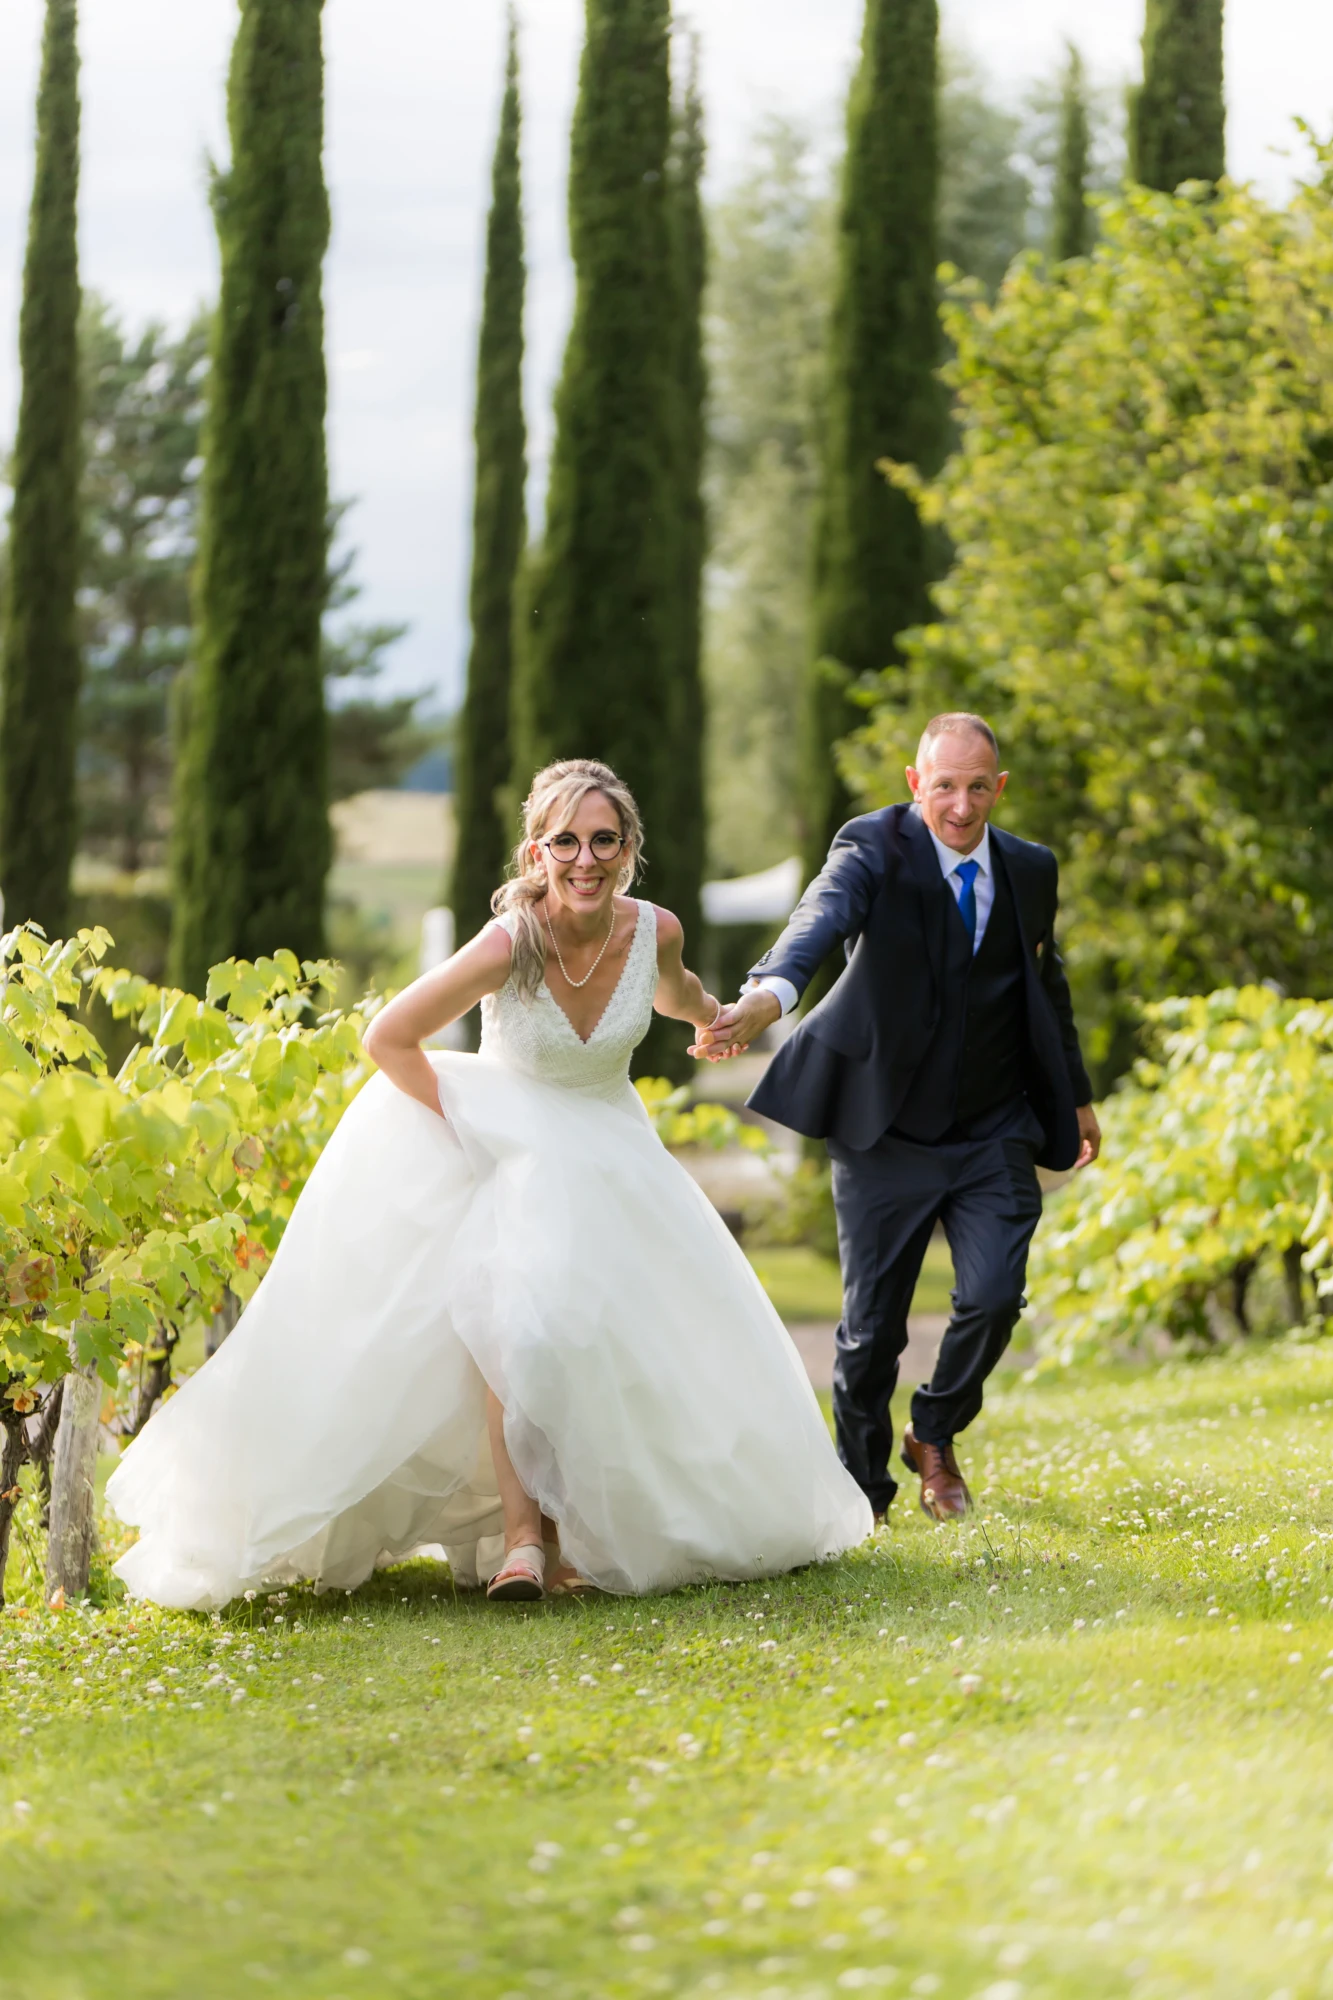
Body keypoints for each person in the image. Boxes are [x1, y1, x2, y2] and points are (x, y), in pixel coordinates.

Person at [108, 758, 871, 1609]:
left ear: (628, 849)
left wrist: (712, 1023)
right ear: (537, 851)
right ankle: (520, 1542)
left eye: (603, 841)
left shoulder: (654, 930)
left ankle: (580, 1530)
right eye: (565, 841)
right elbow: (389, 1038)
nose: (585, 859)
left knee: (602, 1337)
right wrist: (468, 1122)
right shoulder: (511, 941)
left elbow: (676, 993)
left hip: (610, 1148)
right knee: (521, 1328)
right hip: (512, 1144)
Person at [694, 714, 1099, 1524]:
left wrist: (1076, 1096)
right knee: (869, 1333)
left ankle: (933, 1433)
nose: (959, 804)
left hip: (991, 1129)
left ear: (998, 788)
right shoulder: (872, 848)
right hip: (884, 1131)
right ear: (916, 784)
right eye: (943, 785)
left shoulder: (1029, 868)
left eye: (976, 786)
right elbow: (821, 918)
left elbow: (1043, 986)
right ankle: (861, 1495)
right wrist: (768, 995)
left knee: (992, 1296)